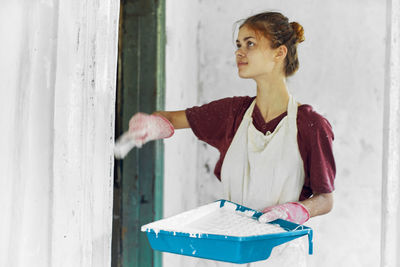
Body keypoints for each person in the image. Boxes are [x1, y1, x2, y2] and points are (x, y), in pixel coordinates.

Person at [124, 11, 335, 267]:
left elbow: (325, 198)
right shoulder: (232, 114)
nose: (239, 52)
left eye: (250, 43)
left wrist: (298, 210)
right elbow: (170, 118)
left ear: (279, 53)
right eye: (238, 44)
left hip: (279, 255)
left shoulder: (310, 124)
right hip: (227, 253)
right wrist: (153, 124)